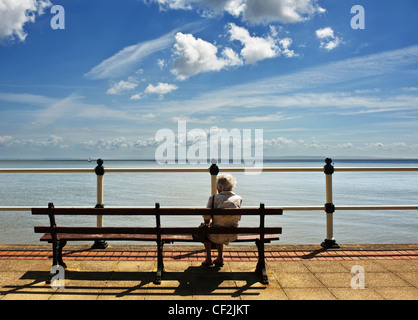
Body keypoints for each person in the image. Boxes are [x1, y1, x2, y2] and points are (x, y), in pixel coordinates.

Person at [202, 173, 242, 267]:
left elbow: (206, 218)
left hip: (217, 234)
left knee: (206, 229)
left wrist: (208, 222)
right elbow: (238, 218)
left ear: (220, 186)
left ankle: (208, 259)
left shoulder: (213, 198)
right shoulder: (238, 198)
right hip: (233, 234)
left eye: (217, 185)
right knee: (220, 227)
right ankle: (220, 258)